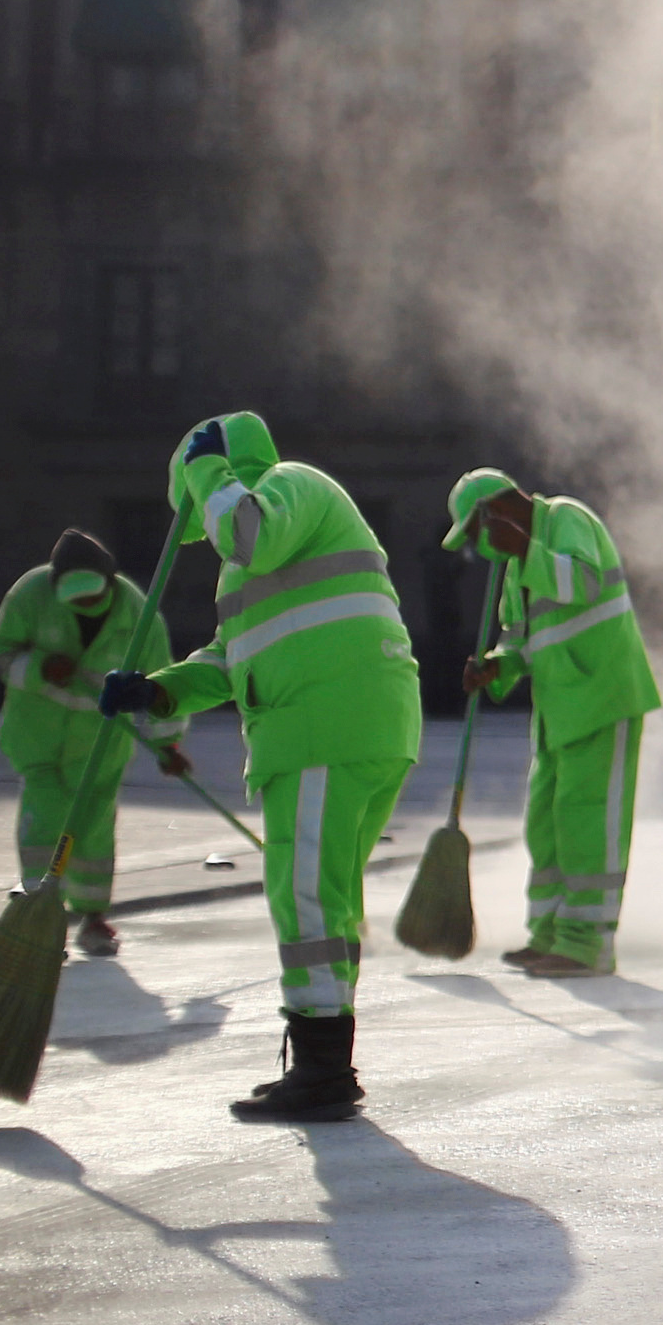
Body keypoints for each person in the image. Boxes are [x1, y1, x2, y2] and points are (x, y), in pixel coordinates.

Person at [101, 412, 422, 1123]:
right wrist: (158, 688)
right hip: (350, 724)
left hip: (321, 727)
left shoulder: (291, 489)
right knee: (327, 898)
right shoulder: (258, 555)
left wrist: (205, 467)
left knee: (304, 898)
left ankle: (321, 1070)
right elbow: (231, 657)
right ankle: (326, 1059)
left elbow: (246, 529)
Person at [446, 470, 663, 975]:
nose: (479, 548)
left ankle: (587, 943)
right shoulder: (518, 566)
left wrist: (526, 550)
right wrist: (497, 666)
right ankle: (549, 934)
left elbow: (584, 582)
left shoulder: (567, 518)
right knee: (547, 826)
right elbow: (521, 641)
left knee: (588, 823)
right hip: (557, 712)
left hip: (602, 699)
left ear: (495, 514)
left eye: (475, 532)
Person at [0, 527, 190, 959]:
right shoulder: (30, 594)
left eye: (91, 595)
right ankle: (43, 912)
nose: (83, 604)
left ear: (110, 583)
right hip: (37, 733)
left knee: (94, 829)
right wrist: (40, 667)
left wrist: (167, 746)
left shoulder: (137, 610)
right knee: (44, 821)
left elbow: (161, 684)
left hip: (100, 740)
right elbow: (1, 654)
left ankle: (93, 916)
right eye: (73, 597)